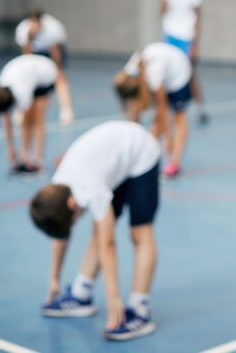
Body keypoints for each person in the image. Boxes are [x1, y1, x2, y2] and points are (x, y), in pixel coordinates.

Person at [30, 120, 160, 341]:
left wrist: (113, 298)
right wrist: (54, 280)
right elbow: (61, 235)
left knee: (139, 232)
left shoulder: (90, 189)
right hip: (113, 161)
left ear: (73, 204)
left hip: (140, 152)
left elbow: (108, 244)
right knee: (98, 227)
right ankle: (82, 293)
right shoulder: (58, 189)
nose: (74, 223)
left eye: (72, 222)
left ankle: (140, 309)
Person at [114, 42, 192, 178]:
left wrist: (168, 138)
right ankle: (148, 156)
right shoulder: (128, 75)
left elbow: (162, 108)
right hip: (160, 71)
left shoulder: (154, 74)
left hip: (178, 72)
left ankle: (174, 163)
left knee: (179, 117)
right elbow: (134, 113)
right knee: (155, 120)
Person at [0, 54, 57, 174]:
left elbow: (26, 123)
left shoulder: (22, 92)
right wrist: (11, 148)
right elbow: (6, 119)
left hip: (45, 73)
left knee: (37, 118)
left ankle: (38, 161)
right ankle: (27, 157)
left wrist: (24, 157)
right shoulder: (1, 90)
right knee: (30, 120)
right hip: (28, 72)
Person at [158, 0, 208, 124]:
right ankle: (170, 108)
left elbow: (197, 18)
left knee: (190, 73)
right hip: (170, 37)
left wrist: (195, 45)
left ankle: (200, 108)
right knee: (168, 74)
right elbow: (162, 12)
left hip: (186, 38)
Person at [15, 9, 74, 125]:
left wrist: (56, 70)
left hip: (51, 51)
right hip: (35, 51)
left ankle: (66, 110)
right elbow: (26, 56)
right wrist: (29, 37)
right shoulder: (22, 30)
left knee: (59, 77)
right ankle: (21, 111)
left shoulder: (53, 28)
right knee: (27, 79)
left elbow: (55, 53)